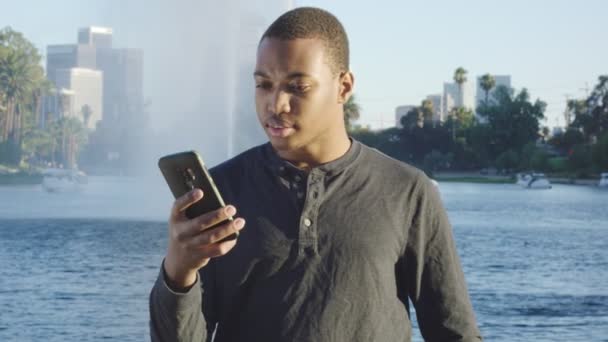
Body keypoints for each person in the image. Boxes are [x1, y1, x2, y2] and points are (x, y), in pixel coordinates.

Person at [150, 7, 482, 342]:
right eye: (263, 85)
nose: (275, 103)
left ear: (343, 86)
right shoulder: (223, 193)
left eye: (297, 86)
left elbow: (454, 332)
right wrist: (179, 272)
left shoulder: (408, 193)